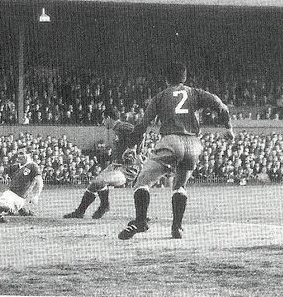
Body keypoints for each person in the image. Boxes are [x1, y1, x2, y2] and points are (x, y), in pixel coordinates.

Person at [118, 62, 232, 241]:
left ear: (166, 79)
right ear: (184, 78)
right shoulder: (195, 93)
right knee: (179, 186)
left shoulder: (161, 96)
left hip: (171, 141)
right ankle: (177, 227)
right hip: (194, 145)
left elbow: (142, 125)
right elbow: (220, 104)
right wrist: (228, 128)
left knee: (142, 181)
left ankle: (141, 220)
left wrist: (132, 146)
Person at [64, 107, 143, 219]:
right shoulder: (117, 129)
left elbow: (140, 133)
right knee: (93, 184)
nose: (102, 122)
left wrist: (136, 151)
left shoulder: (122, 126)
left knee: (100, 181)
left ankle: (104, 205)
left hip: (127, 168)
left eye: (103, 119)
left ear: (108, 118)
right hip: (115, 166)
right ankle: (80, 211)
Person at [0, 149, 44, 222]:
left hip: (19, 197)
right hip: (9, 193)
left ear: (29, 155)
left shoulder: (33, 166)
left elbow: (39, 181)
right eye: (18, 154)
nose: (19, 156)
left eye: (21, 153)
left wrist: (36, 195)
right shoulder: (16, 166)